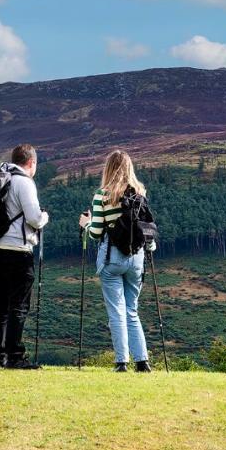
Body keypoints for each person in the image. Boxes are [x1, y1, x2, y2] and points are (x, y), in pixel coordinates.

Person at [79, 150, 154, 372]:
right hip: (137, 258)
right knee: (132, 309)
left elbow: (96, 233)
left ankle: (122, 362)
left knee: (116, 311)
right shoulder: (140, 193)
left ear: (108, 168)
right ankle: (142, 361)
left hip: (112, 257)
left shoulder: (103, 195)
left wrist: (86, 223)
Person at [0, 144, 49, 369]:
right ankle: (15, 356)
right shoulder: (24, 182)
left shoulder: (1, 179)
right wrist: (45, 217)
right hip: (19, 250)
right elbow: (33, 218)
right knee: (19, 305)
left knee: (1, 304)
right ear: (31, 162)